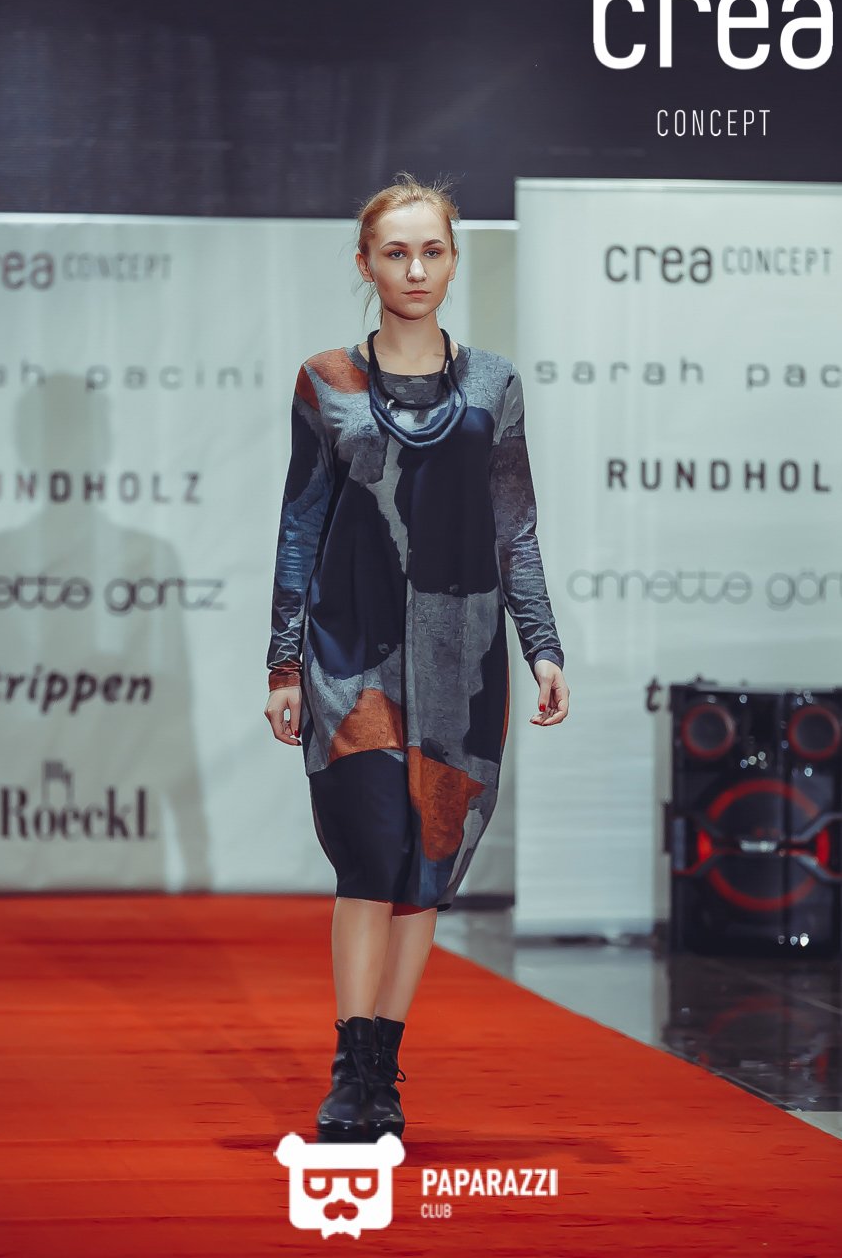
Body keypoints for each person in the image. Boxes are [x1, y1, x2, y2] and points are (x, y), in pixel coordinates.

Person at [264, 171, 569, 1144]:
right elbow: (299, 526)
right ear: (365, 264)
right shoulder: (326, 381)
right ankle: (348, 1073)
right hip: (348, 656)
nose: (414, 269)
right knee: (367, 855)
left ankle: (382, 1069)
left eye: (431, 250)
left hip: (462, 658)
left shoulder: (492, 385)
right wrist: (282, 663)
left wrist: (542, 646)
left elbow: (515, 529)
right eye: (394, 252)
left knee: (424, 863)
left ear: (452, 260)